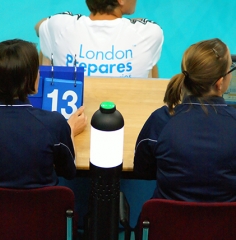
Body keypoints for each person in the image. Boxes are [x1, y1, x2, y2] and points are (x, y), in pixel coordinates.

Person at [134, 38, 236, 202]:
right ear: (219, 83)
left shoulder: (161, 121)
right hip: (225, 227)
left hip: (167, 226)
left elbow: (142, 170)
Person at [0, 39, 87, 188]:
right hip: (42, 210)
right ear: (28, 78)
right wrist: (69, 129)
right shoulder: (54, 124)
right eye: (36, 69)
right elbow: (69, 171)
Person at [35, 0, 164, 78]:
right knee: (150, 57)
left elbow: (39, 27)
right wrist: (131, 22)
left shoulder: (60, 27)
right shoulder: (149, 33)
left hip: (74, 119)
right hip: (127, 117)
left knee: (48, 46)